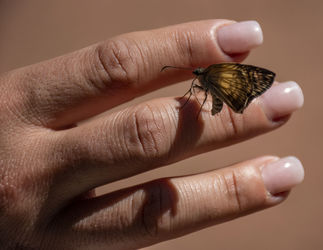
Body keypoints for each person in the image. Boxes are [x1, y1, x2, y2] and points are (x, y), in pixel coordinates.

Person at [0, 19, 304, 249]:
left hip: (225, 94)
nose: (196, 74)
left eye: (197, 72)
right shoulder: (203, 79)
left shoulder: (209, 76)